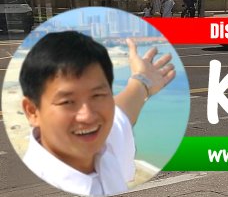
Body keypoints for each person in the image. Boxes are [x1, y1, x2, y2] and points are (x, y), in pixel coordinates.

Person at [19, 30, 175, 196]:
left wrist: (142, 81)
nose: (87, 116)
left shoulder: (104, 142)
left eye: (97, 95)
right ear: (32, 111)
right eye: (67, 102)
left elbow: (122, 113)